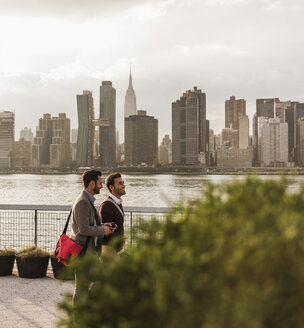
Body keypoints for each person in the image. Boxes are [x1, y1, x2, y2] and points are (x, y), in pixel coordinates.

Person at [71, 169, 114, 304]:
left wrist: (103, 225)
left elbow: (89, 224)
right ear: (91, 183)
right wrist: (102, 230)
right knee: (82, 287)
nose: (102, 186)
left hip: (90, 252)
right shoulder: (83, 202)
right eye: (100, 183)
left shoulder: (87, 200)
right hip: (84, 253)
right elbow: (83, 229)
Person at [99, 172, 125, 253]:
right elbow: (108, 234)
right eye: (120, 183)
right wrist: (120, 251)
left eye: (123, 183)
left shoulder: (117, 203)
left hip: (116, 249)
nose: (123, 185)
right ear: (111, 187)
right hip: (110, 250)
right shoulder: (107, 206)